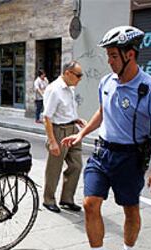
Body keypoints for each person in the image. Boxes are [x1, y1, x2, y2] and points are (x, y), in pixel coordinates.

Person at [62, 26, 151, 250]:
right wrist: (81, 135)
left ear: (130, 55)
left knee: (130, 209)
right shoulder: (107, 82)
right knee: (89, 203)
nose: (109, 61)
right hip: (103, 152)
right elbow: (103, 112)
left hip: (130, 157)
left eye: (114, 55)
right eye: (108, 55)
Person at [42, 61, 86, 213]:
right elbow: (46, 117)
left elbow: (67, 109)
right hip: (59, 131)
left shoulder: (70, 89)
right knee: (54, 168)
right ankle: (48, 199)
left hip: (72, 129)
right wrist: (53, 141)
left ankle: (67, 199)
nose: (80, 79)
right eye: (78, 75)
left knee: (76, 165)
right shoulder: (54, 89)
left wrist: (76, 119)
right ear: (68, 73)